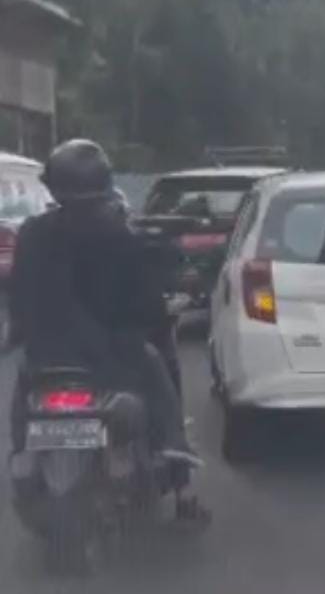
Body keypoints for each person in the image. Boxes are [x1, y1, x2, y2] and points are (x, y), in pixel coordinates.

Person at [8, 139, 200, 467]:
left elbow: (18, 291)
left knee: (24, 377)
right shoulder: (121, 236)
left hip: (47, 353)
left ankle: (19, 450)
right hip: (111, 356)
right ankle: (174, 442)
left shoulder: (32, 233)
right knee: (155, 360)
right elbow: (145, 302)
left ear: (53, 188)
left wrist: (21, 332)